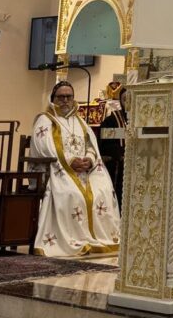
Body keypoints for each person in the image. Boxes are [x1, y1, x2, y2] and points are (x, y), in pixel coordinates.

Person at [29, 80, 121, 256]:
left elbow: (91, 145)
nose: (65, 100)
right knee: (72, 194)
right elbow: (44, 146)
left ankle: (99, 236)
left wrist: (89, 159)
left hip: (85, 170)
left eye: (69, 97)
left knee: (102, 190)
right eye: (61, 97)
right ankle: (75, 239)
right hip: (58, 169)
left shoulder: (79, 121)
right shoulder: (45, 119)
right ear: (53, 98)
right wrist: (70, 161)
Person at [99, 86, 127, 205]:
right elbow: (104, 145)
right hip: (117, 166)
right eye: (125, 99)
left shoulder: (143, 119)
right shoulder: (112, 120)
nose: (129, 102)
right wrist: (119, 154)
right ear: (120, 101)